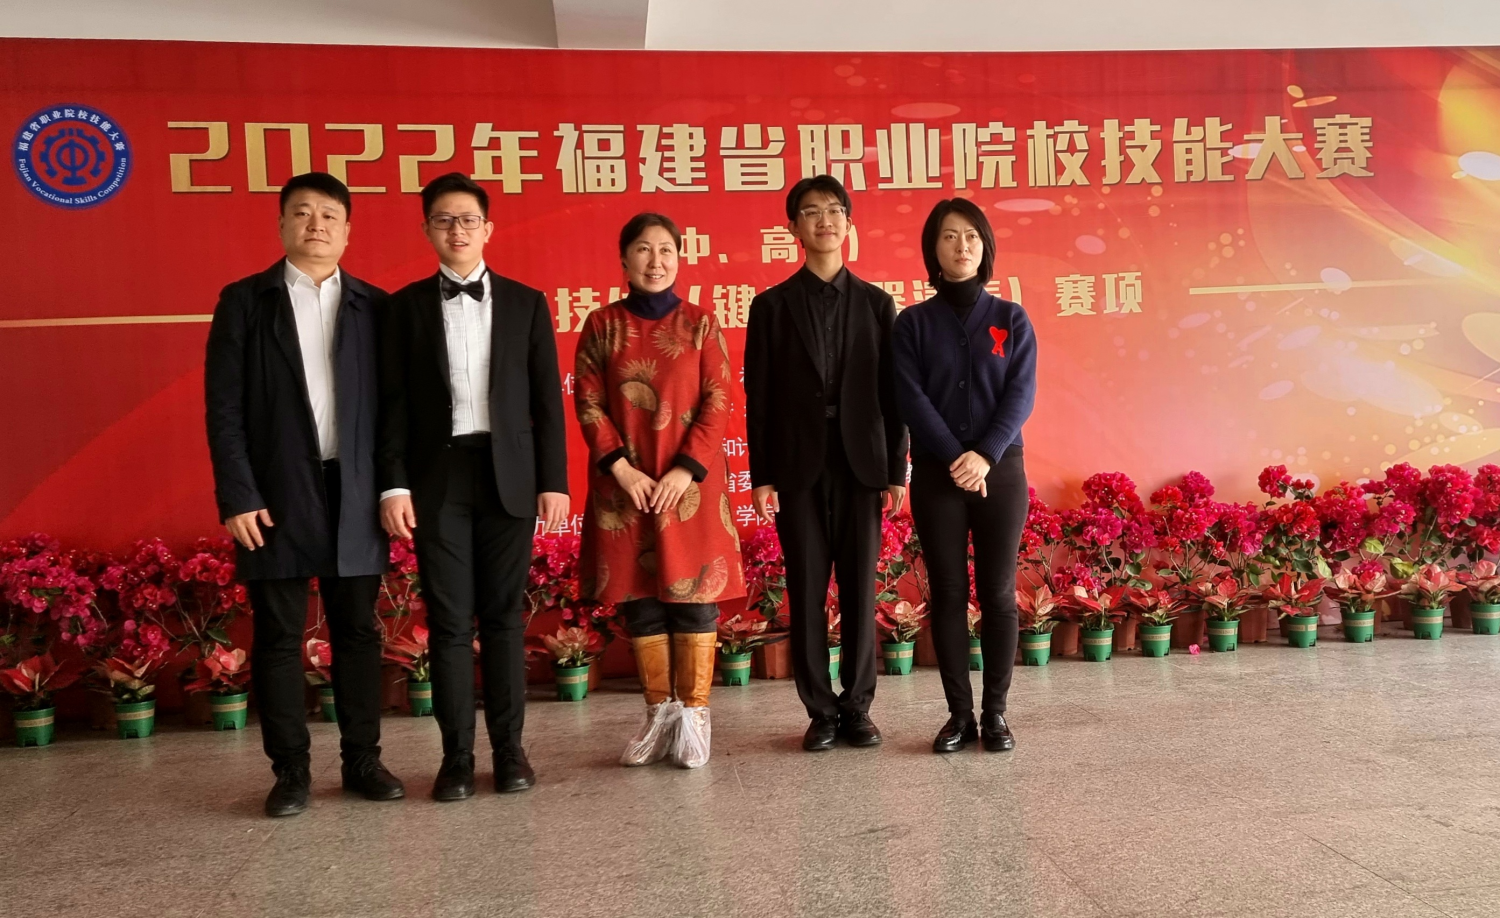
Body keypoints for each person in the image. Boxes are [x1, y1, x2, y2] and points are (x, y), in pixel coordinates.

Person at [205, 171, 404, 818]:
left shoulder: (375, 307)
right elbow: (224, 408)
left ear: (348, 231)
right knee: (278, 635)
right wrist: (238, 494)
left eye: (329, 215)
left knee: (358, 631)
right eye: (302, 213)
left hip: (355, 488)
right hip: (275, 491)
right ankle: (290, 771)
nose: (316, 224)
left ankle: (363, 761)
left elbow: (395, 411)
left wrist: (393, 486)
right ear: (282, 224)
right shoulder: (246, 302)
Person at [377, 172, 569, 799]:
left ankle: (510, 752)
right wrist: (393, 485)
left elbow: (546, 400)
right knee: (451, 622)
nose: (457, 230)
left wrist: (554, 480)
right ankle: (456, 758)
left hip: (508, 475)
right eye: (444, 220)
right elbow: (391, 405)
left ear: (488, 228)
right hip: (438, 479)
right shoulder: (403, 308)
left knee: (505, 618)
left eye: (467, 219)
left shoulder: (525, 302)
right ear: (427, 230)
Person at [744, 175, 908, 753]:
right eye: (811, 212)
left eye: (834, 210)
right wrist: (762, 475)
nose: (824, 221)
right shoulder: (770, 307)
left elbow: (893, 396)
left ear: (848, 223)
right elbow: (759, 399)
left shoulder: (877, 304)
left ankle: (858, 707)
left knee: (860, 589)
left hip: (861, 464)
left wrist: (896, 470)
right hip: (797, 466)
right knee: (807, 587)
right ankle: (820, 712)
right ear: (794, 226)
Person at [575, 212, 745, 769]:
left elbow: (719, 400)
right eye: (643, 250)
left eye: (666, 250)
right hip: (625, 489)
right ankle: (658, 715)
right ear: (624, 259)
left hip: (689, 488)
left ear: (679, 257)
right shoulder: (602, 325)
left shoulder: (700, 324)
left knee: (694, 601)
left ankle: (695, 717)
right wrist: (623, 471)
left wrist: (684, 471)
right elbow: (589, 402)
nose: (655, 261)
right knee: (641, 603)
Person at [892, 199, 1037, 754]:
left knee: (998, 593)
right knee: (949, 593)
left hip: (1001, 473)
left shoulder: (1011, 318)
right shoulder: (912, 323)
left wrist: (985, 455)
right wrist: (959, 457)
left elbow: (1021, 394)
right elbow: (910, 398)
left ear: (985, 246)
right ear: (934, 248)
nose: (962, 246)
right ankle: (958, 716)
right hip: (937, 474)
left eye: (972, 235)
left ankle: (995, 714)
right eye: (950, 236)